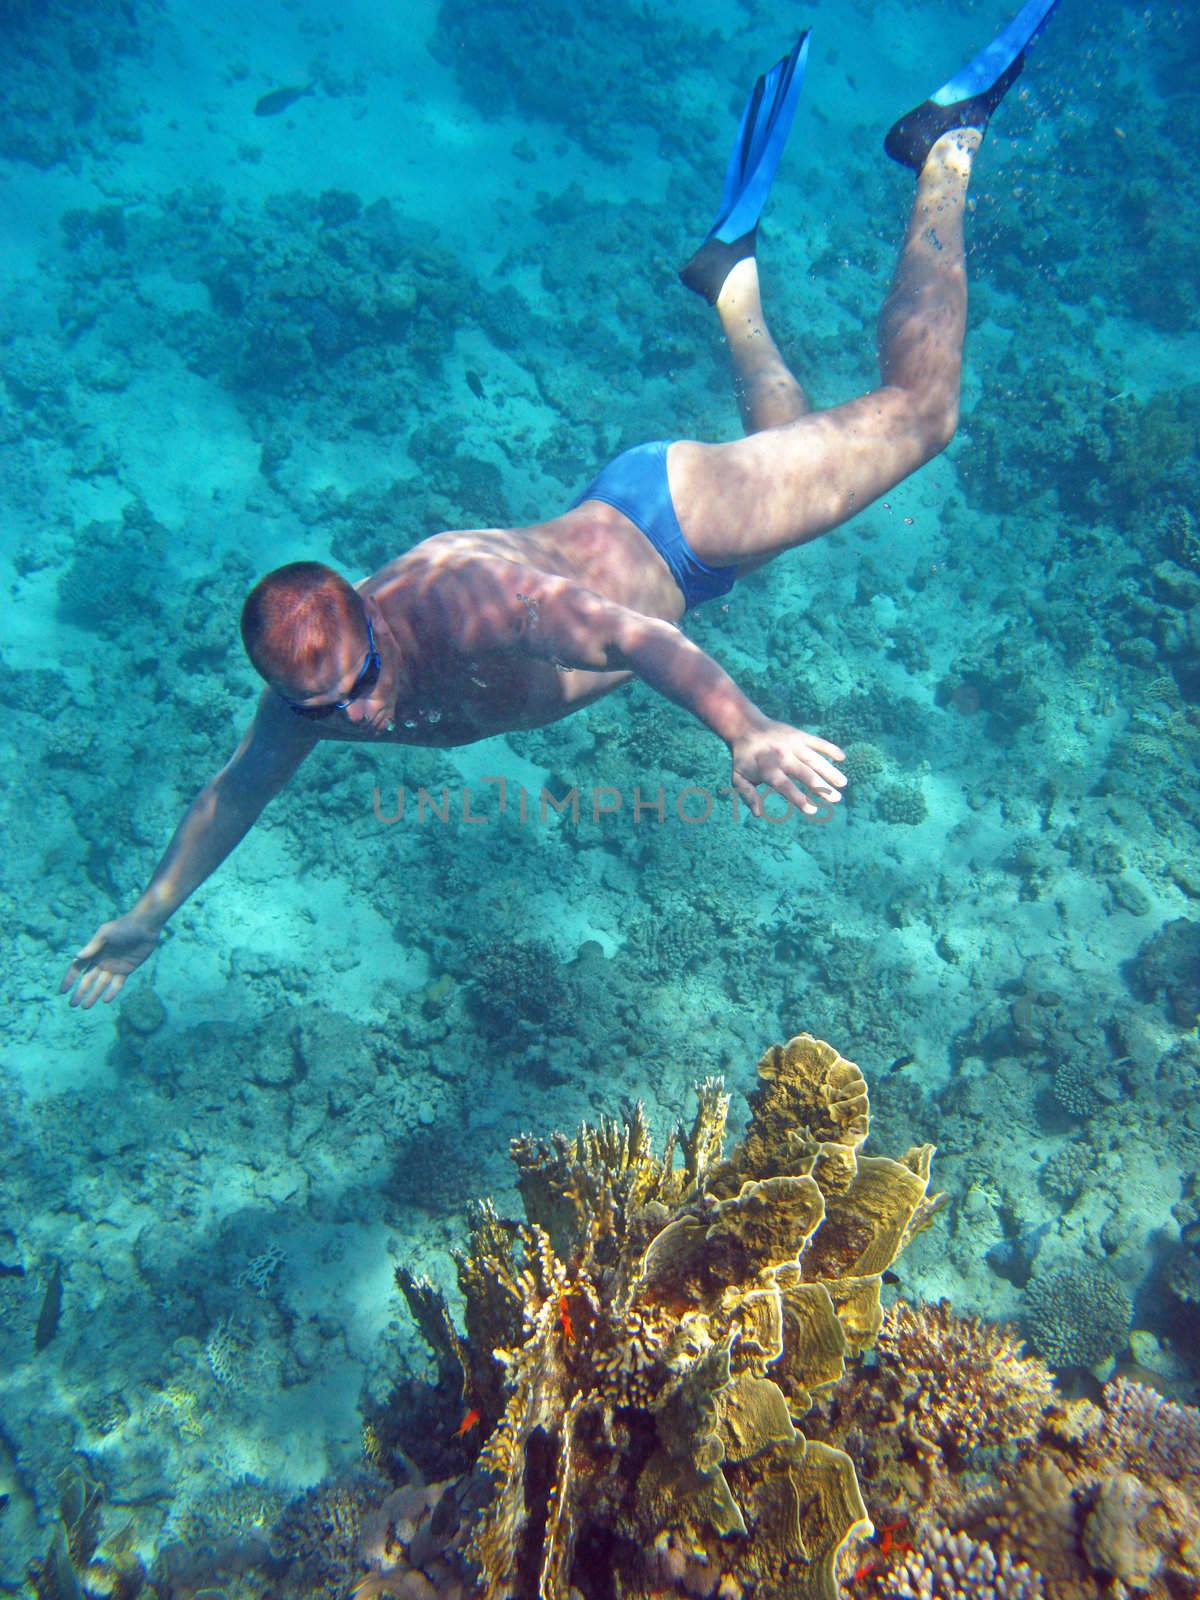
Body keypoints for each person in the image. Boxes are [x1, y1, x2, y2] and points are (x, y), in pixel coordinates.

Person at [62, 0, 1059, 1009]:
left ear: (370, 613)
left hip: (674, 527)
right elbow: (236, 788)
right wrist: (152, 913)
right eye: (324, 705)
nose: (354, 712)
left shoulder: (467, 603)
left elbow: (637, 642)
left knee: (922, 415)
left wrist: (745, 729)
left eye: (357, 681)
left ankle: (945, 149)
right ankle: (731, 285)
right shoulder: (309, 700)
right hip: (666, 552)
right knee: (788, 449)